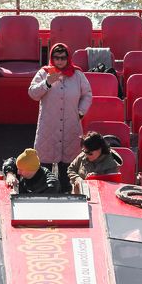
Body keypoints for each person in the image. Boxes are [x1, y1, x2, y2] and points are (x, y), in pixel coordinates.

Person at [28, 42, 92, 192]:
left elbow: (87, 94)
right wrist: (47, 83)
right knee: (44, 167)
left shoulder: (78, 75)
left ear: (68, 58)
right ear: (52, 58)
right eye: (56, 57)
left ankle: (67, 193)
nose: (60, 61)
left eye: (63, 57)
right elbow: (32, 93)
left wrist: (81, 112)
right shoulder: (44, 73)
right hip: (48, 127)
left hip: (71, 125)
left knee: (68, 169)